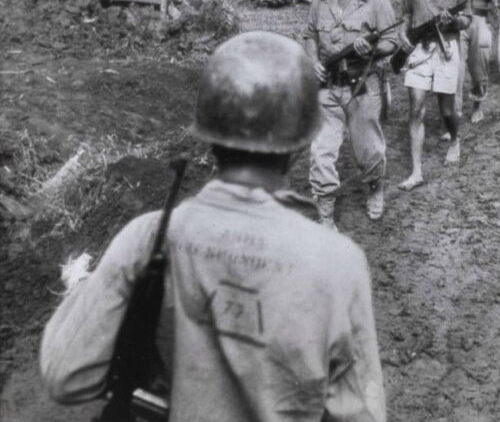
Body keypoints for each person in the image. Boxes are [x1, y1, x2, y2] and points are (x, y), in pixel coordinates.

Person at [40, 31, 386, 422]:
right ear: (299, 144)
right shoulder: (340, 263)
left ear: (209, 136)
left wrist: (88, 291)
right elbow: (362, 413)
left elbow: (64, 376)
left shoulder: (149, 237)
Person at [303, 0, 400, 228]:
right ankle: (326, 213)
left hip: (363, 88)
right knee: (321, 152)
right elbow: (309, 35)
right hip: (327, 88)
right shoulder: (321, 0)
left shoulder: (376, 0)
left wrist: (368, 48)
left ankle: (374, 188)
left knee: (369, 151)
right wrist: (311, 61)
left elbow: (392, 41)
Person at [398, 0, 471, 190]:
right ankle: (416, 171)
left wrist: (453, 21)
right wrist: (403, 33)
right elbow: (406, 12)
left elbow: (467, 19)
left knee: (446, 109)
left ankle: (454, 139)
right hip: (420, 48)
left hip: (446, 48)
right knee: (416, 107)